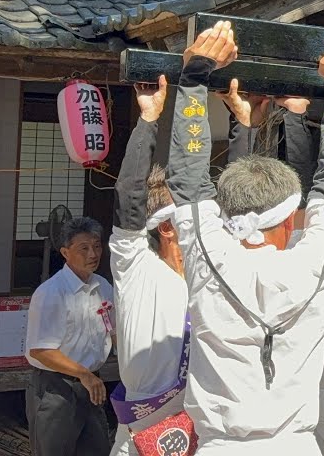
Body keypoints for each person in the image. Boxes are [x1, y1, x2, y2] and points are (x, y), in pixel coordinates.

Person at [167, 21, 324, 453]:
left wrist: (194, 77)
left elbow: (187, 179)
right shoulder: (312, 262)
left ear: (226, 212)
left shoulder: (210, 255)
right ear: (292, 220)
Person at [107, 76, 194, 456]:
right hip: (145, 431)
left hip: (199, 428)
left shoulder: (212, 272)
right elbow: (128, 196)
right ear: (168, 228)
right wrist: (149, 120)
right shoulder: (138, 269)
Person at [24, 215, 113, 456]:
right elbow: (41, 350)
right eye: (83, 248)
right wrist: (83, 374)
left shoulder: (103, 286)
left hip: (91, 384)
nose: (93, 254)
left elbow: (112, 330)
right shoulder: (51, 293)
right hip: (56, 387)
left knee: (98, 449)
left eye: (96, 245)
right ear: (65, 252)